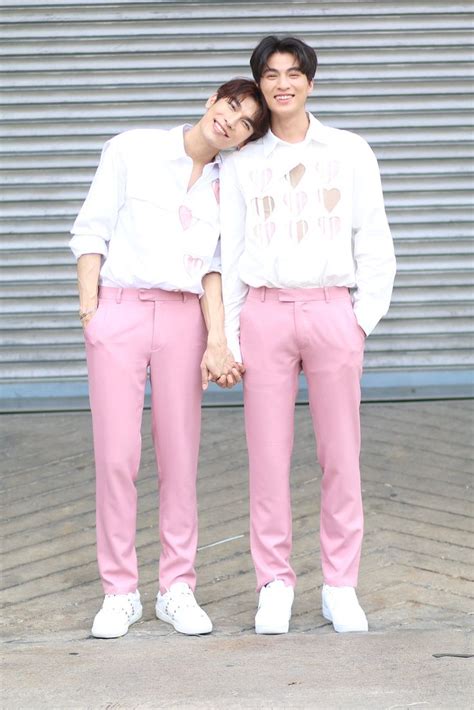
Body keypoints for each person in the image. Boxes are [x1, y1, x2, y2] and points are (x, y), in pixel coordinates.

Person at [69, 79, 270, 639]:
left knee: (180, 457)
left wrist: (216, 340)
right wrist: (93, 314)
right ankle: (119, 592)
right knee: (116, 457)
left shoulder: (227, 187)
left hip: (184, 320)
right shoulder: (131, 149)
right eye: (231, 106)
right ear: (212, 101)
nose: (232, 121)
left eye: (247, 122)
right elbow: (91, 229)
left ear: (245, 141)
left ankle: (176, 587)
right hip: (121, 312)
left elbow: (214, 266)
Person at [220, 36, 396, 634]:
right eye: (271, 75)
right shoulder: (241, 160)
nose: (282, 84)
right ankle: (274, 582)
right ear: (260, 85)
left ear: (310, 83)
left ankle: (340, 585)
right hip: (264, 314)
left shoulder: (349, 151)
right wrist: (231, 335)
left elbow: (373, 236)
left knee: (340, 456)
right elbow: (232, 246)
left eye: (294, 74)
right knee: (267, 456)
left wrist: (361, 317)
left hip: (331, 312)